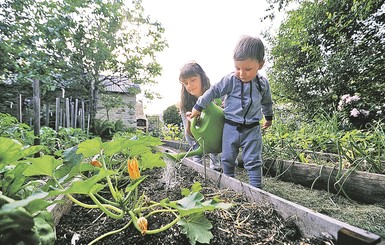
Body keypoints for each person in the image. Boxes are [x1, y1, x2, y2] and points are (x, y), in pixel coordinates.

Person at [189, 35, 273, 188]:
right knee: (227, 158)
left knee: (253, 160)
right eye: (237, 68)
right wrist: (198, 107)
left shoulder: (262, 84)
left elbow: (267, 102)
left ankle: (256, 190)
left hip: (253, 128)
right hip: (230, 126)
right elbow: (213, 91)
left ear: (260, 65)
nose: (242, 73)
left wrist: (268, 118)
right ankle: (229, 186)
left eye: (248, 69)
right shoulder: (230, 80)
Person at [178, 61, 221, 171]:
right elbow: (189, 135)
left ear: (202, 77)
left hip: (217, 138)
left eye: (193, 80)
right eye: (185, 83)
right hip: (198, 140)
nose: (189, 86)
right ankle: (198, 169)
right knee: (196, 152)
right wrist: (190, 121)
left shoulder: (216, 94)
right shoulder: (185, 104)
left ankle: (216, 165)